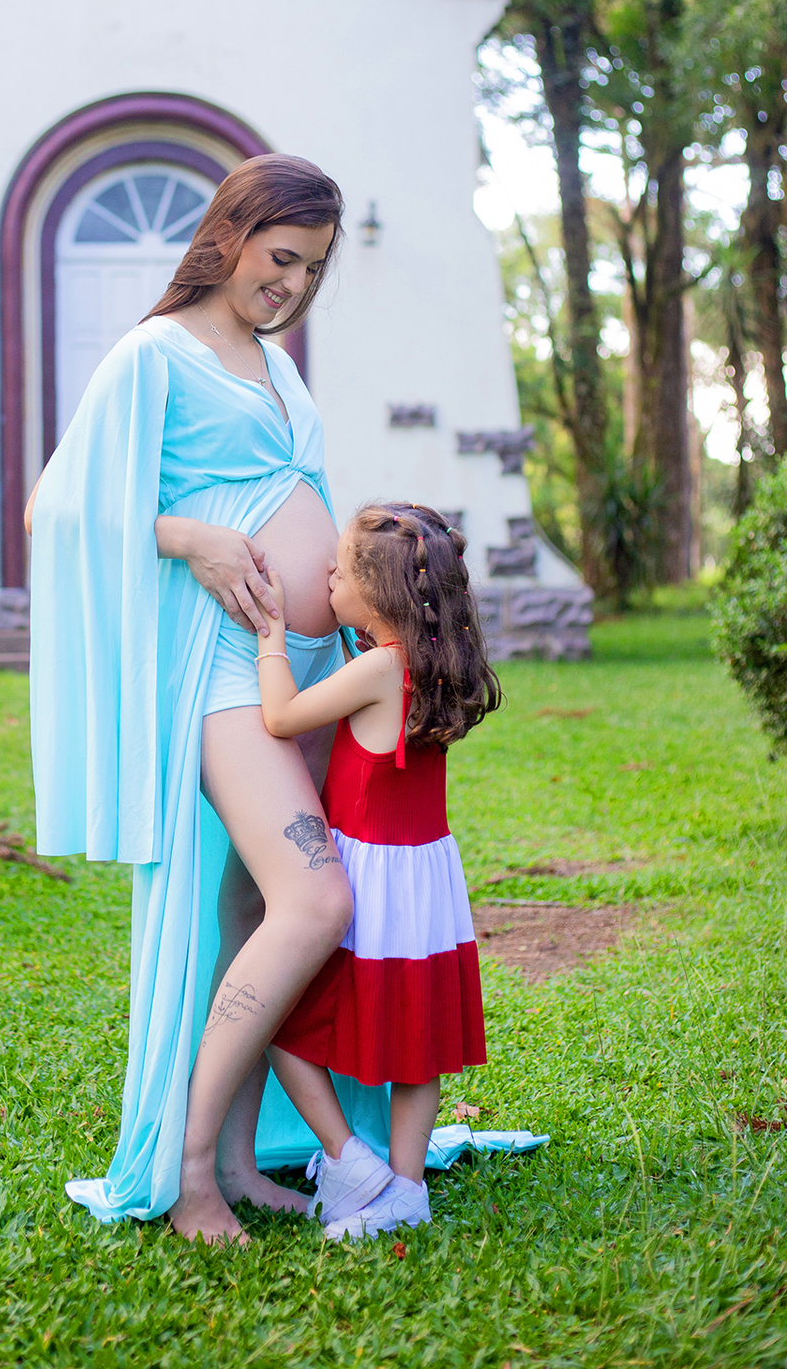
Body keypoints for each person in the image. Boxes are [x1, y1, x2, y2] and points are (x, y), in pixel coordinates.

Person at [26, 156, 393, 1244]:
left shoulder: (274, 362)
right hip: (224, 672)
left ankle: (241, 1158)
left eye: (313, 269)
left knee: (251, 915)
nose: (292, 284)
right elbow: (57, 507)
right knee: (318, 903)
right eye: (282, 258)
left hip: (310, 675)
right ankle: (187, 1174)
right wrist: (187, 536)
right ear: (229, 234)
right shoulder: (155, 354)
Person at [253, 502, 502, 1240]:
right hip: (424, 884)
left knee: (282, 1025)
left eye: (339, 569)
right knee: (414, 1046)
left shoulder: (377, 669)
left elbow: (280, 716)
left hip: (365, 884)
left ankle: (349, 1161)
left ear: (376, 595)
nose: (325, 574)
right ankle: (405, 1185)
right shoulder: (433, 664)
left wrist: (273, 636)